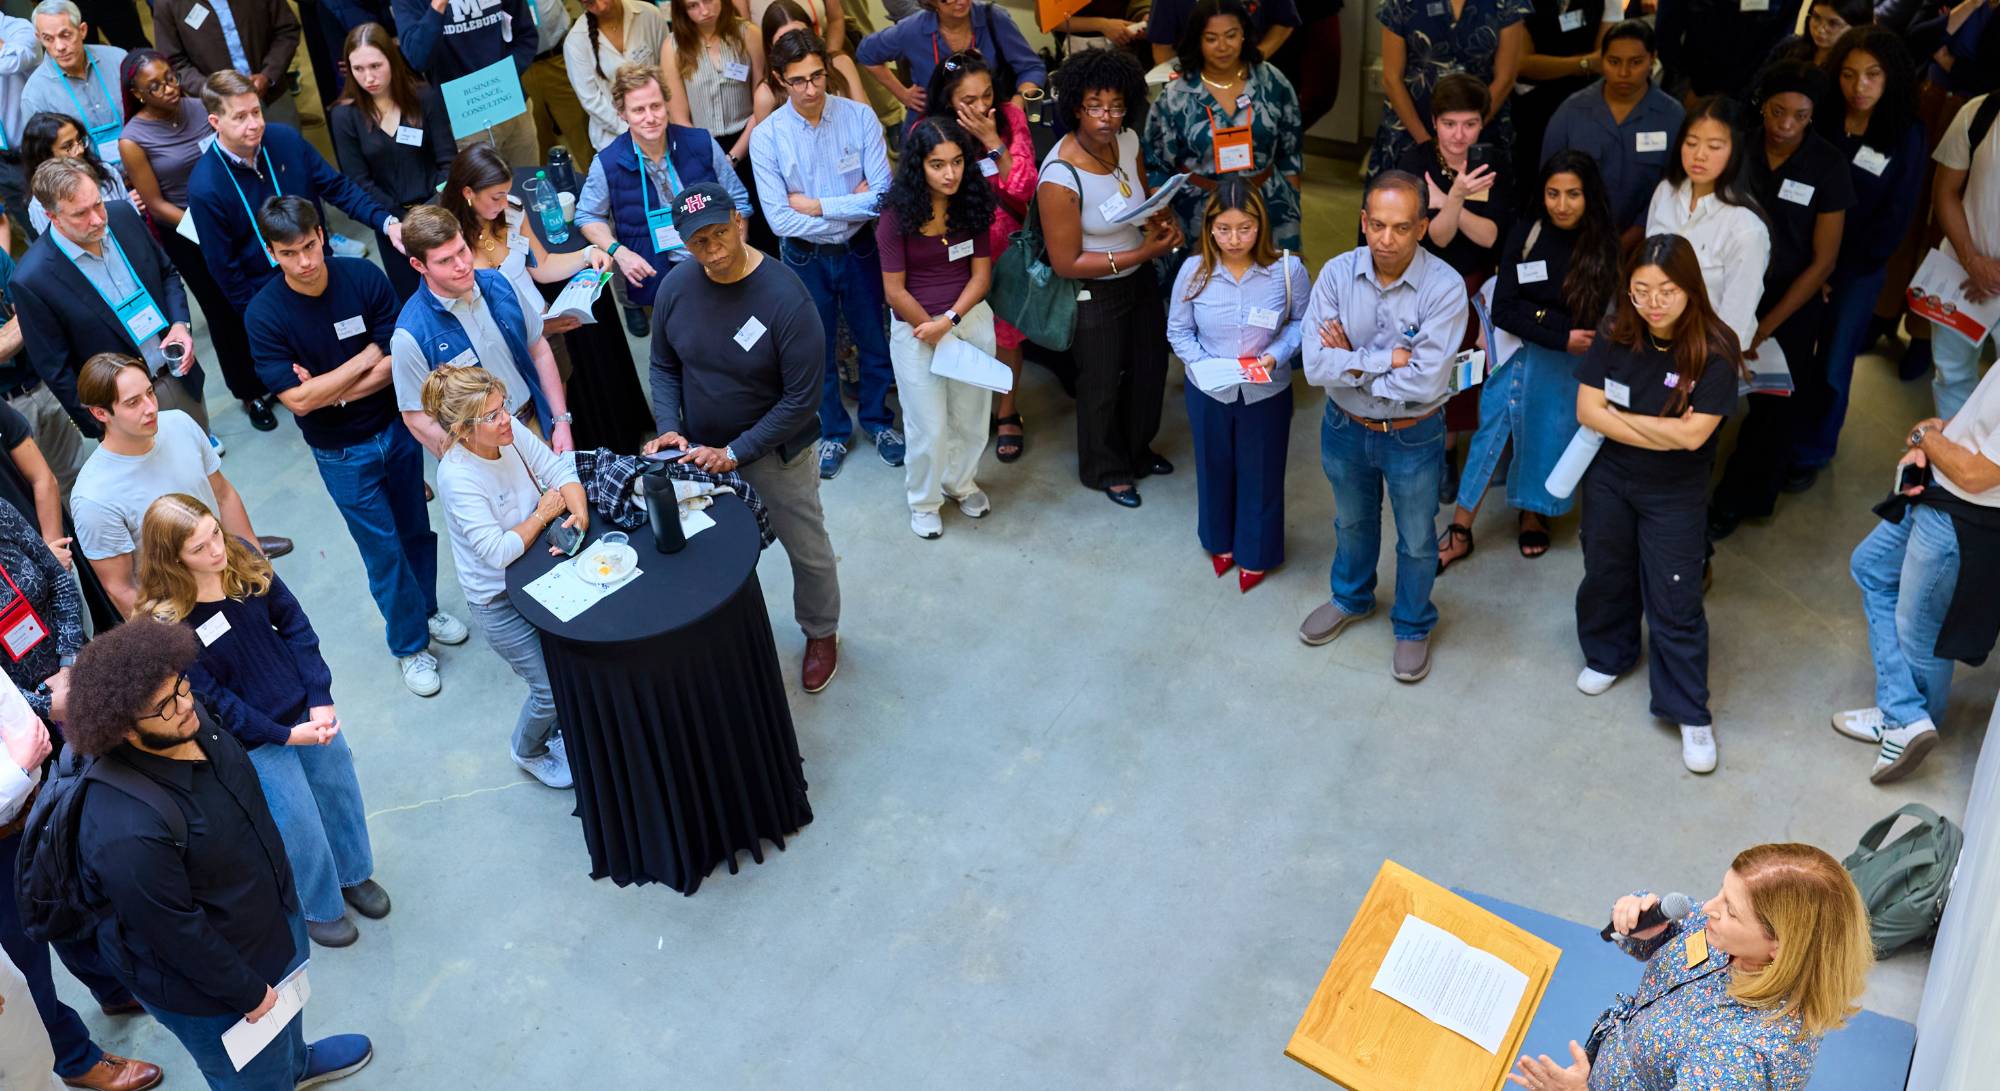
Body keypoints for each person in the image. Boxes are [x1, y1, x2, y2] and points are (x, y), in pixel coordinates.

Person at [64, 618, 375, 1090]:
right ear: (124, 730)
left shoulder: (194, 724)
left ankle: (294, 1065)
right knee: (250, 1076)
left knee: (285, 1025)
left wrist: (287, 906)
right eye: (165, 706)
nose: (186, 705)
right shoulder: (124, 829)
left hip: (267, 921)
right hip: (214, 987)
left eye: (182, 686)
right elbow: (176, 934)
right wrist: (246, 993)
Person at [136, 493, 391, 950]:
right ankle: (320, 905)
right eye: (199, 548)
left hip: (305, 710)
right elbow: (214, 702)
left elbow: (294, 623)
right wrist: (283, 736)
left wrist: (319, 698)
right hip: (256, 739)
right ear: (172, 559)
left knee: (340, 794)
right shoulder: (170, 624)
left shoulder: (242, 558)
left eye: (215, 532)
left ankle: (354, 876)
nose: (216, 549)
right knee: (299, 825)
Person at [246, 197, 465, 698]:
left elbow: (400, 358)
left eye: (308, 246)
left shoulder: (362, 279)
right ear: (271, 253)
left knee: (416, 531)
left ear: (322, 234)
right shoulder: (265, 315)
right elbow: (298, 403)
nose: (304, 261)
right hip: (340, 452)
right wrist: (363, 358)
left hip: (395, 429)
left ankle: (427, 611)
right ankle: (410, 647)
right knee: (383, 551)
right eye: (288, 253)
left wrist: (330, 389)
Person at [644, 182, 840, 690]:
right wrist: (669, 428)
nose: (711, 250)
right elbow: (664, 366)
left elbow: (802, 400)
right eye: (698, 242)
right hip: (699, 454)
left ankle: (821, 631)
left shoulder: (786, 299)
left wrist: (737, 452)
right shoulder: (677, 288)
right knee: (711, 551)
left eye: (717, 234)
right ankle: (725, 641)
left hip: (775, 453)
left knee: (807, 547)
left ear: (738, 221)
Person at [1509, 844, 1873, 1091]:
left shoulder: (1737, 1060)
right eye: (1721, 891)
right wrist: (1646, 929)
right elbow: (1676, 947)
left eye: (1730, 910)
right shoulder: (1727, 935)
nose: (1707, 908)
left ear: (1781, 946)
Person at [1572, 236, 1737, 773]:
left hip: (1675, 492)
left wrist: (1626, 425)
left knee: (1675, 596)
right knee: (1606, 570)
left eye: (1666, 290)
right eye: (1640, 290)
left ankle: (1688, 709)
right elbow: (1586, 410)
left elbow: (1693, 438)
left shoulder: (1715, 348)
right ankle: (1608, 653)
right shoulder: (1618, 328)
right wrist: (1663, 428)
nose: (1652, 303)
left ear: (1690, 288)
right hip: (1610, 478)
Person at [1298, 171, 1465, 682]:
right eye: (1377, 225)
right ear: (1363, 221)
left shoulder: (1445, 288)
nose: (1386, 240)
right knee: (1351, 523)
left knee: (1417, 540)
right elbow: (1312, 365)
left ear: (1421, 227)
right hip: (1344, 426)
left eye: (1401, 227)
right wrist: (1384, 361)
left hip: (1414, 434)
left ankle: (1413, 624)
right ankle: (1351, 597)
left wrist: (1350, 359)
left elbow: (1426, 380)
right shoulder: (1334, 274)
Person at [1438, 151, 1618, 569]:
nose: (1562, 203)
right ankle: (1461, 528)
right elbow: (1504, 309)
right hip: (1518, 351)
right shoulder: (1527, 231)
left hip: (1566, 364)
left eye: (1573, 194)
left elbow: (1588, 321)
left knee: (1548, 436)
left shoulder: (1603, 246)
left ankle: (1531, 513)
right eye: (1553, 193)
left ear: (1589, 195)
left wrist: (1537, 315)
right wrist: (1555, 327)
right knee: (1489, 435)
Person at [1, 672, 166, 1091]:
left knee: (71, 902)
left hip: (27, 804)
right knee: (25, 972)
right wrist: (19, 769)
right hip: (9, 809)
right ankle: (74, 1057)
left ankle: (113, 989)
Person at [750, 30, 903, 480]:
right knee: (815, 349)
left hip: (859, 249)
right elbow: (779, 220)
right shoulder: (767, 137)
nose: (812, 89)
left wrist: (817, 205)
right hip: (802, 257)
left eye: (818, 76)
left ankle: (878, 421)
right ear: (780, 80)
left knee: (874, 337)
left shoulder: (859, 118)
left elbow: (883, 198)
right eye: (798, 81)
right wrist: (850, 204)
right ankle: (833, 432)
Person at [1836, 366, 2000, 784]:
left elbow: (1976, 475)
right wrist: (1938, 433)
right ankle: (1904, 711)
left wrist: (1925, 437)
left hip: (1962, 515)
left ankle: (1909, 724)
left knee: (1920, 630)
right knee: (1870, 565)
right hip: (1941, 493)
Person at [422, 366, 583, 788]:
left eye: (503, 407)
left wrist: (578, 513)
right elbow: (497, 554)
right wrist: (544, 514)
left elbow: (559, 472)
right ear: (461, 428)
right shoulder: (457, 477)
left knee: (571, 667)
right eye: (492, 415)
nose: (505, 418)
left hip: (539, 572)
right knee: (547, 689)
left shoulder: (509, 435)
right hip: (498, 600)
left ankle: (564, 729)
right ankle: (527, 749)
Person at [1710, 63, 1851, 540]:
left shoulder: (1827, 164)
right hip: (1726, 289)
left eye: (1800, 115)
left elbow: (1823, 261)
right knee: (1708, 386)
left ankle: (1740, 498)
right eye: (1777, 111)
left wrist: (1767, 325)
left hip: (1790, 299)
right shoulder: (1737, 147)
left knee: (1773, 406)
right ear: (1761, 106)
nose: (1786, 125)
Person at [1039, 48, 1182, 508]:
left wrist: (1161, 222)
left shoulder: (1128, 142)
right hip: (1093, 288)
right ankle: (1104, 468)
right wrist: (1144, 251)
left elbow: (1140, 200)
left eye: (1117, 106)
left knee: (1149, 367)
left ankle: (1137, 451)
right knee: (1100, 381)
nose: (1106, 117)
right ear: (1076, 106)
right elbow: (1066, 263)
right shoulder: (1059, 176)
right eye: (1095, 106)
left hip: (1138, 276)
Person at [118, 52, 277, 433]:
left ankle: (282, 367)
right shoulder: (133, 140)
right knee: (223, 310)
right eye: (154, 86)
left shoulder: (199, 108)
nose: (169, 88)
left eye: (170, 77)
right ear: (137, 94)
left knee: (264, 288)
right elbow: (155, 204)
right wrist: (204, 225)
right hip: (187, 232)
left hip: (236, 213)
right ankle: (249, 390)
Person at [69, 353, 292, 622]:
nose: (150, 407)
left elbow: (224, 496)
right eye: (133, 403)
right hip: (183, 613)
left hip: (231, 576)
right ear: (100, 412)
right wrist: (170, 651)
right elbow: (121, 587)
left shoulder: (179, 423)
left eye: (149, 392)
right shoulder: (94, 497)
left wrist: (257, 567)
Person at [1793, 29, 1921, 482]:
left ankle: (1812, 451)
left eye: (1872, 75)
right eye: (1848, 74)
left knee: (1833, 363)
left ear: (1890, 79)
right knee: (1790, 353)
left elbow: (1895, 218)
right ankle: (1776, 435)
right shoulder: (1821, 116)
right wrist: (1811, 263)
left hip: (1857, 271)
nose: (1859, 86)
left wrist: (1832, 271)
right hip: (1800, 258)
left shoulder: (1904, 134)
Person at [1166, 180, 1306, 593]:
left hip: (1266, 390)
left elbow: (1301, 322)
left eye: (1244, 228)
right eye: (1223, 229)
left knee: (1261, 471)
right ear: (1209, 228)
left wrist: (1274, 356)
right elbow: (1178, 330)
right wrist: (1206, 367)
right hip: (1209, 389)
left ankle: (1257, 551)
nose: (1234, 239)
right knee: (1213, 466)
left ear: (1260, 225)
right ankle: (1219, 542)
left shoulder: (1287, 270)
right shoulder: (1193, 271)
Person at [12, 158, 213, 441]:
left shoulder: (122, 216)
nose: (96, 219)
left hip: (179, 377)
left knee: (203, 466)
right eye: (80, 214)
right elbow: (57, 371)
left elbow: (167, 273)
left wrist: (180, 325)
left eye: (98, 204)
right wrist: (104, 429)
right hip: (122, 416)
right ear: (52, 217)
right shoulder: (32, 280)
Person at [187, 69, 402, 321]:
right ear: (215, 122)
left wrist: (387, 223)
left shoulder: (285, 139)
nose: (254, 124)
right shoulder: (204, 187)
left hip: (323, 271)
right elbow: (225, 268)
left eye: (256, 112)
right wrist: (259, 318)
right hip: (274, 299)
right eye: (240, 117)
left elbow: (338, 188)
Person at [877, 117, 995, 540]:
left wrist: (951, 320)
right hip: (915, 327)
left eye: (958, 162)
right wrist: (930, 326)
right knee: (928, 425)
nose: (950, 174)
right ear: (918, 167)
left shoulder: (974, 201)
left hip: (968, 316)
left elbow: (981, 277)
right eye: (937, 164)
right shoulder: (894, 216)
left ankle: (961, 483)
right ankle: (925, 502)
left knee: (971, 416)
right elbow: (894, 290)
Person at [922, 51, 1034, 462]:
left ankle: (1008, 411)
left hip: (1004, 245)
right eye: (969, 100)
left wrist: (993, 142)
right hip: (950, 249)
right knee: (955, 329)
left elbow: (1023, 188)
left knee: (1006, 333)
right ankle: (964, 415)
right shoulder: (929, 129)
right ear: (949, 99)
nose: (982, 106)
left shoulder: (1008, 119)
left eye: (987, 94)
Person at [392, 205, 574, 456]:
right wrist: (472, 458)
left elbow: (538, 348)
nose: (462, 266)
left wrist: (561, 421)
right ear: (418, 265)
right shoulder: (411, 335)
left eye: (462, 250)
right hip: (482, 450)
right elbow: (416, 417)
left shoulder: (501, 283)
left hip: (534, 423)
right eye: (445, 260)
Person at [575, 64, 749, 310]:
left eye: (655, 106)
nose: (650, 117)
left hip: (717, 259)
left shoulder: (700, 142)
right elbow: (587, 215)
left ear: (666, 103)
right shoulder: (607, 163)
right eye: (638, 110)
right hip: (664, 275)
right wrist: (620, 252)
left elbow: (738, 199)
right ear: (622, 113)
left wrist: (736, 251)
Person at [1144, 0, 1304, 252]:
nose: (1222, 47)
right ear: (1197, 40)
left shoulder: (1273, 82)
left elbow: (1290, 153)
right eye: (1211, 38)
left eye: (1231, 35)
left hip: (1266, 206)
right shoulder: (1176, 95)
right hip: (1197, 214)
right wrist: (1163, 213)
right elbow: (1156, 163)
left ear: (1244, 35)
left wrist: (1292, 203)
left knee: (1270, 288)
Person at [328, 24, 454, 302]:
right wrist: (399, 221)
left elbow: (448, 160)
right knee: (418, 302)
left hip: (439, 212)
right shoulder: (344, 116)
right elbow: (358, 181)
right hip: (392, 227)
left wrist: (433, 209)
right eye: (358, 69)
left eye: (375, 65)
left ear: (392, 60)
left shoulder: (423, 97)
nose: (368, 77)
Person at [1644, 95, 1770, 355]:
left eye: (1714, 146)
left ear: (1735, 150)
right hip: (1652, 341)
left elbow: (1736, 319)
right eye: (1691, 143)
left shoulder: (1746, 228)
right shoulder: (1666, 192)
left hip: (1703, 353)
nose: (1699, 155)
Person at [1540, 21, 1685, 234]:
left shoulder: (1672, 116)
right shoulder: (1571, 111)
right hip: (1576, 236)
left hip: (1647, 238)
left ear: (1652, 59)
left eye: (1635, 62)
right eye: (1614, 61)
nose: (1624, 72)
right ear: (1601, 60)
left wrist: (1635, 236)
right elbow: (1548, 180)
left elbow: (1676, 186)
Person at [1365, 0, 1530, 179]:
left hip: (1483, 126)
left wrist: (1467, 129)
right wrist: (1427, 145)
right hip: (1411, 128)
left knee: (1478, 203)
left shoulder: (1507, 3)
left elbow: (1506, 77)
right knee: (1406, 202)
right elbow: (1391, 79)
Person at [662, 0, 766, 250]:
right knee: (717, 230)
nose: (704, 11)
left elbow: (763, 101)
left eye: (708, 1)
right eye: (693, 6)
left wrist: (735, 156)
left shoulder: (749, 34)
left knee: (760, 227)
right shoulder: (673, 46)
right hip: (701, 149)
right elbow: (679, 116)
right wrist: (716, 159)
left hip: (751, 139)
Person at [390, 0, 538, 166]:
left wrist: (505, 75)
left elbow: (526, 36)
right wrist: (438, 6)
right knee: (486, 188)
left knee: (529, 183)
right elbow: (417, 58)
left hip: (511, 102)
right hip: (465, 119)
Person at [1396, 73, 1511, 282]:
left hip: (1476, 278)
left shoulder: (1494, 163)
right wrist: (1457, 197)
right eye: (1449, 124)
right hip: (1424, 276)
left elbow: (1489, 237)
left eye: (1469, 125)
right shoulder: (1415, 164)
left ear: (1482, 123)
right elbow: (1439, 239)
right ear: (1434, 122)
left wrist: (1445, 201)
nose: (1459, 136)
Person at [1927, 92, 2000, 420]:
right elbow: (1945, 192)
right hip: (1961, 270)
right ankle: (1949, 464)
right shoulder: (1981, 111)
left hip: (1980, 275)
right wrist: (1972, 261)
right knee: (1951, 374)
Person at [856, 0, 1046, 119]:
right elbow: (866, 54)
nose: (961, 2)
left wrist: (1018, 101)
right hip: (935, 127)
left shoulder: (993, 18)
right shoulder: (912, 30)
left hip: (989, 119)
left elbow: (1032, 68)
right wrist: (903, 94)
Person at [1508, 0, 1620, 196]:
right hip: (1534, 105)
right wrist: (1584, 63)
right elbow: (1522, 63)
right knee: (1537, 183)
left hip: (1589, 102)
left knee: (1586, 178)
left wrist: (1554, 65)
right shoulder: (1519, 3)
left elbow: (1604, 58)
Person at [150, 0, 302, 127]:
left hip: (272, 96)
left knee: (291, 155)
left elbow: (286, 30)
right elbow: (174, 62)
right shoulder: (168, 4)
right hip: (220, 110)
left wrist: (268, 75)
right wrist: (213, 90)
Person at [19, 2, 124, 170]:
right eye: (48, 39)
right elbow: (46, 164)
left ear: (82, 30)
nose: (59, 47)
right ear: (39, 39)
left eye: (65, 35)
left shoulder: (118, 60)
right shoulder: (34, 95)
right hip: (87, 185)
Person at [564, 0, 667, 151]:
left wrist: (658, 122)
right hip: (615, 139)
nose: (599, 5)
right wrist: (634, 131)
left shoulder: (649, 15)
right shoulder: (576, 42)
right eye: (590, 2)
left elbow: (667, 73)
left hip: (662, 127)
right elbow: (592, 101)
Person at [1655, 0, 1803, 102]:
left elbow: (1781, 42)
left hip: (1751, 92)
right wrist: (1685, 87)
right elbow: (1666, 35)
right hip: (1693, 85)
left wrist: (1751, 95)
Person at [750, 4, 868, 125]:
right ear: (770, 46)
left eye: (800, 33)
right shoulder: (765, 94)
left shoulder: (841, 63)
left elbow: (866, 118)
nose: (796, 43)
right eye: (784, 39)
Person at [20, 110, 129, 234]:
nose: (80, 150)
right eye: (68, 147)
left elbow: (132, 216)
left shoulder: (105, 171)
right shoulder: (40, 205)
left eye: (80, 140)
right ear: (44, 156)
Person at [519, 0, 592, 173]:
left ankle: (603, 190)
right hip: (521, 68)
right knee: (538, 144)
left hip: (558, 58)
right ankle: (553, 194)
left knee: (582, 134)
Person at [0, 12, 47, 239]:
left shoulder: (19, 28)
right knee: (33, 231)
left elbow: (12, 61)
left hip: (35, 151)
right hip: (3, 160)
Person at [1146, 0, 1296, 63]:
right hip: (1192, 79)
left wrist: (1255, 58)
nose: (1222, 47)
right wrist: (1187, 85)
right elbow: (1162, 47)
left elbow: (1284, 20)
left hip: (1255, 77)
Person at [1762, 0, 1870, 70]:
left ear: (1857, 27)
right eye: (1816, 17)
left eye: (1833, 24)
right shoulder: (1789, 48)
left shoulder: (1855, 66)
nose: (1820, 29)